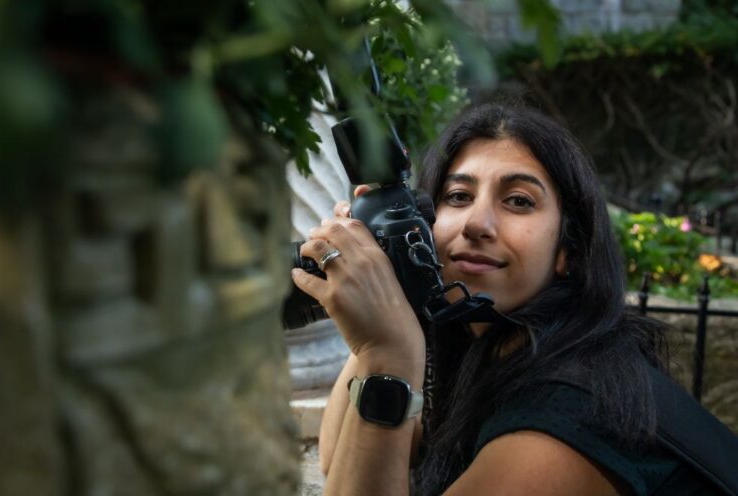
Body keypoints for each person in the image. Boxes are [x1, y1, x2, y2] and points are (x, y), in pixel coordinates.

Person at [290, 104, 732, 495]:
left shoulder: (569, 419)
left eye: (519, 201)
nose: (477, 223)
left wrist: (387, 354)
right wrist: (391, 286)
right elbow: (337, 458)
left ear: (566, 250)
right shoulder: (495, 349)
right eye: (458, 196)